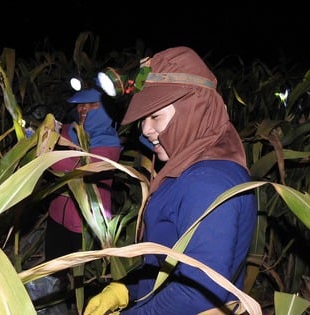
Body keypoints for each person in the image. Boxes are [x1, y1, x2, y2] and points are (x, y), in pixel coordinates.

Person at [84, 46, 258, 315]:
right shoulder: (185, 166)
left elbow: (198, 292)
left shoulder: (209, 182)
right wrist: (126, 289)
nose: (146, 129)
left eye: (155, 116)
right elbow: (168, 264)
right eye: (144, 118)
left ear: (193, 112)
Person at [45, 88, 122, 262]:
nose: (83, 109)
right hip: (57, 215)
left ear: (106, 109)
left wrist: (44, 151)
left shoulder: (109, 145)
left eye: (92, 105)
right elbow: (53, 129)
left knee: (83, 279)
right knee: (53, 267)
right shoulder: (69, 130)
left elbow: (77, 167)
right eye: (80, 105)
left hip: (87, 224)